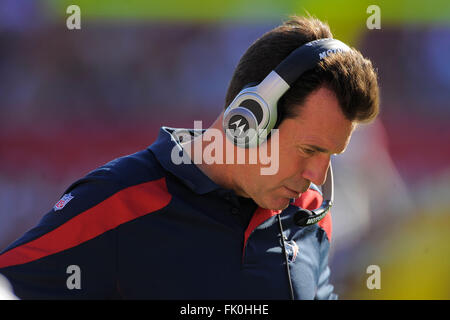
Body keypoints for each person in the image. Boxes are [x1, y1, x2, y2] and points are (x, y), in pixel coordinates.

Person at [0, 16, 379, 299]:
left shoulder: (310, 216)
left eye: (330, 154)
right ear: (249, 119)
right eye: (310, 149)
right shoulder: (120, 200)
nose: (317, 174)